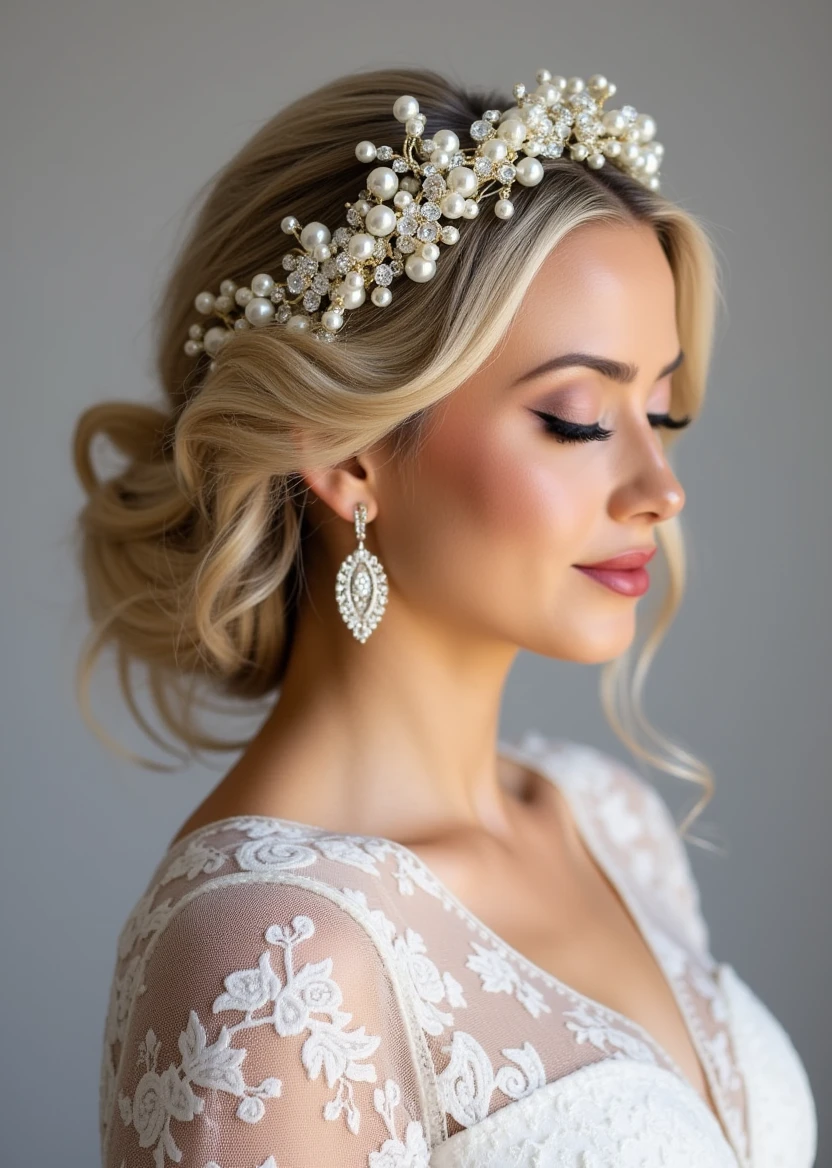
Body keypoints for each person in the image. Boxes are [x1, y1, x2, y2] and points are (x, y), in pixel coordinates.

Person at [74, 66, 816, 1167]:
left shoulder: (609, 822)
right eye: (574, 418)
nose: (661, 488)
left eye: (661, 410)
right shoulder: (274, 961)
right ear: (346, 454)